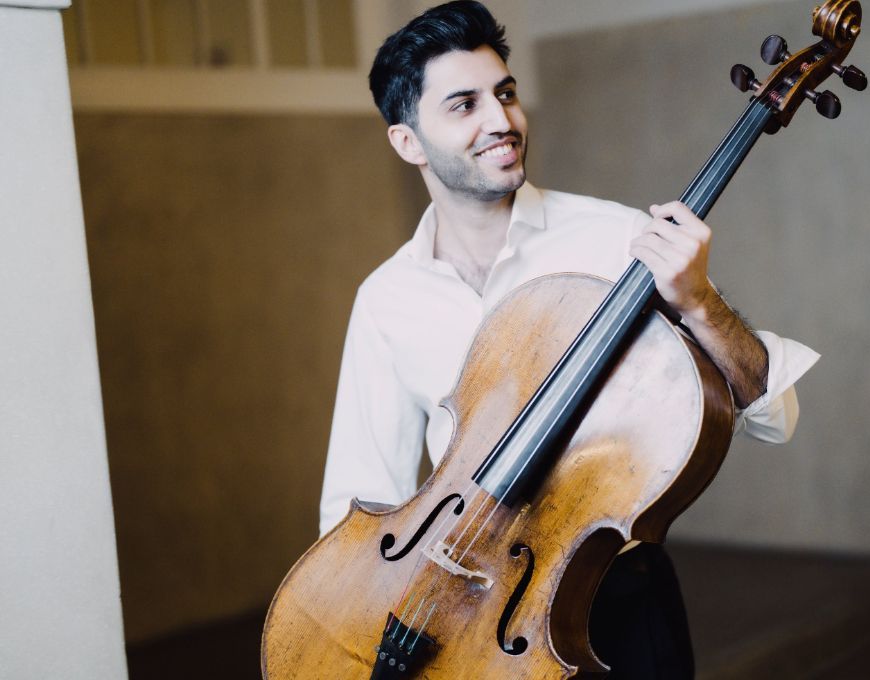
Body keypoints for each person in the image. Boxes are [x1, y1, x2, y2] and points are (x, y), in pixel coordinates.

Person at [319, 2, 818, 677]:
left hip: (618, 601)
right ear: (409, 142)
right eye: (463, 105)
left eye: (505, 93)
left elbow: (773, 417)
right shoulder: (386, 300)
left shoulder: (617, 241)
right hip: (463, 619)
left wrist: (699, 300)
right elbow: (355, 498)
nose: (501, 121)